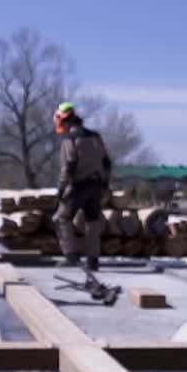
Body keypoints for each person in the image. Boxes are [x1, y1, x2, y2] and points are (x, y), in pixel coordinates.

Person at [52, 102, 111, 271]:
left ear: (64, 121)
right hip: (97, 185)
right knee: (92, 222)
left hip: (78, 185)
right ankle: (93, 261)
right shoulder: (95, 137)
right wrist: (105, 184)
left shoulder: (70, 139)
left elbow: (69, 164)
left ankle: (71, 256)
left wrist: (61, 190)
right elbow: (107, 162)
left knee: (61, 218)